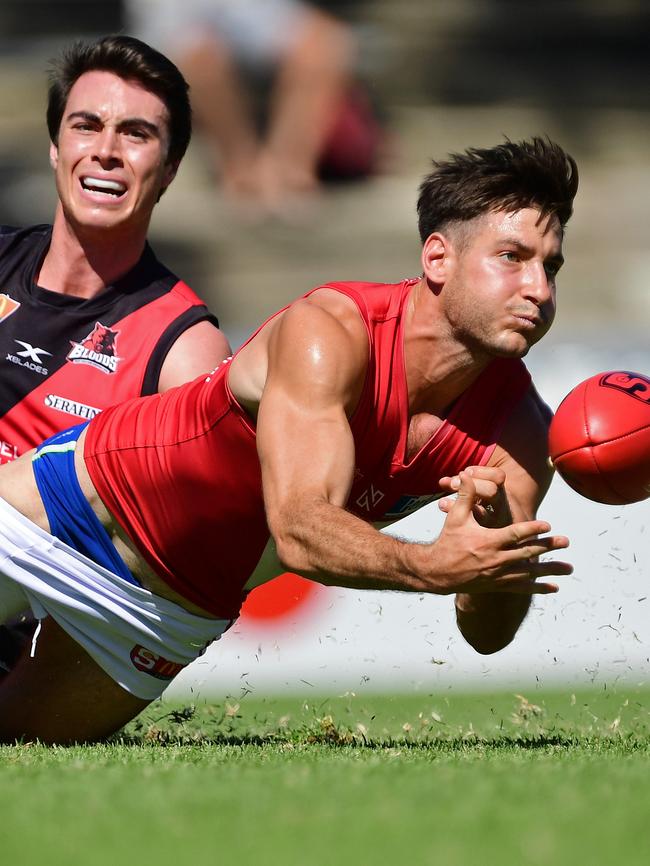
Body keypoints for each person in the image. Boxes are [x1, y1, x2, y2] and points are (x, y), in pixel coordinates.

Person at [0, 137, 577, 744]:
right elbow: (301, 531)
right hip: (67, 506)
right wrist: (433, 565)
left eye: (551, 266)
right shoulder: (331, 331)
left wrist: (487, 567)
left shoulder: (524, 434)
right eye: (512, 257)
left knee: (15, 742)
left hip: (170, 611)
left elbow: (487, 635)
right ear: (438, 259)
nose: (539, 288)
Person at [0, 35, 232, 673]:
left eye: (136, 133)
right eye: (86, 125)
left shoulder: (183, 346)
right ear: (55, 147)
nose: (105, 149)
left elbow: (192, 544)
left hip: (27, 644)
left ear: (172, 167)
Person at [128, 0, 385, 218]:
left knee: (326, 45)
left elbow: (267, 21)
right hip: (178, 29)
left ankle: (290, 174)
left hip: (245, 23)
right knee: (200, 58)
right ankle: (242, 175)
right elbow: (175, 32)